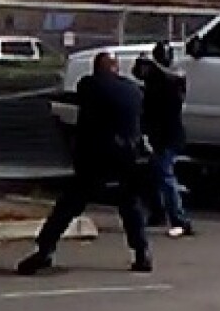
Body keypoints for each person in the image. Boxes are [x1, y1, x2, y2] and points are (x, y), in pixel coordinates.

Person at [17, 52, 152, 275]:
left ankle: (45, 250)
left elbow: (83, 109)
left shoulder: (90, 85)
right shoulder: (134, 90)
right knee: (130, 205)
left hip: (97, 156)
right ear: (116, 68)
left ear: (96, 68)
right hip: (128, 156)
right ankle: (142, 253)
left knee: (68, 205)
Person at [133, 41, 195, 238]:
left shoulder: (166, 83)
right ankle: (158, 213)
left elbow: (156, 110)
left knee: (165, 177)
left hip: (165, 136)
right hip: (163, 135)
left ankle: (180, 220)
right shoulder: (165, 81)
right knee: (153, 175)